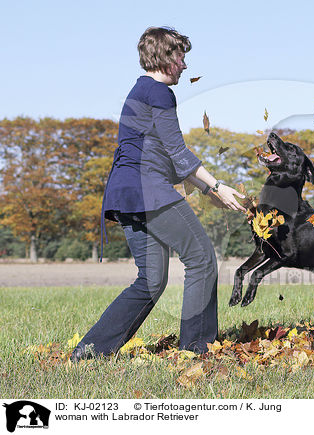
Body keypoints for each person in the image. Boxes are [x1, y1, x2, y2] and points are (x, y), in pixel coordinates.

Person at [71, 26, 246, 361]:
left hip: (123, 193)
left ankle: (91, 352)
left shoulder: (139, 90)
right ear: (167, 57)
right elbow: (178, 152)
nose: (184, 65)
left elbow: (164, 153)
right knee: (202, 259)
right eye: (181, 57)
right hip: (147, 190)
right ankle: (195, 350)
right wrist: (217, 186)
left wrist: (207, 190)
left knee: (150, 281)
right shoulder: (160, 92)